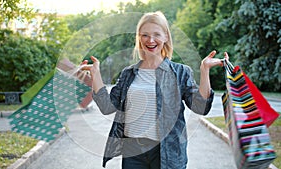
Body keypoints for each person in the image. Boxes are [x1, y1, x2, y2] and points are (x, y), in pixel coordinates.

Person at [81, 11, 228, 169]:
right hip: (133, 152)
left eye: (156, 34)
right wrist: (95, 74)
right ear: (139, 38)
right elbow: (107, 107)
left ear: (165, 36)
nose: (150, 40)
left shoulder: (180, 72)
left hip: (167, 152)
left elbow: (201, 107)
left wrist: (205, 70)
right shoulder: (128, 74)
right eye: (145, 35)